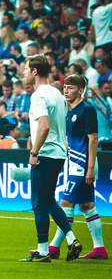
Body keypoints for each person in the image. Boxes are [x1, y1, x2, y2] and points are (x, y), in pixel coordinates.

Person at [20, 54, 82, 263]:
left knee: (39, 204)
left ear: (35, 71)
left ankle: (43, 250)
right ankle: (72, 239)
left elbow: (44, 126)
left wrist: (34, 152)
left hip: (45, 154)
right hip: (58, 153)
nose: (24, 72)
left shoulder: (38, 96)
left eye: (26, 69)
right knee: (48, 200)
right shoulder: (57, 93)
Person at [40, 76, 106, 259]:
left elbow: (93, 139)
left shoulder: (87, 110)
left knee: (65, 203)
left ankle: (53, 247)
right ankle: (99, 249)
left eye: (70, 87)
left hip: (82, 164)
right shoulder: (68, 112)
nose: (66, 90)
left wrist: (90, 168)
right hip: (73, 163)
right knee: (86, 206)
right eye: (65, 87)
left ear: (81, 90)